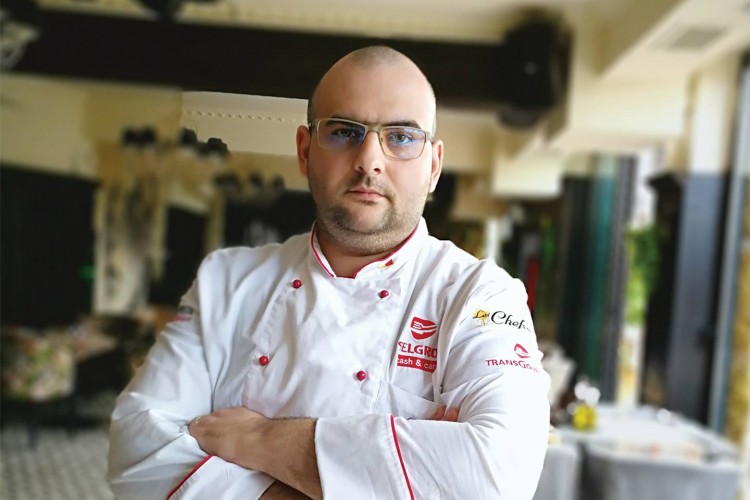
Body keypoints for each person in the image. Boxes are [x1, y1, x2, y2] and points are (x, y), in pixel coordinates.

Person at [108, 45, 550, 500]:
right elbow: (137, 450)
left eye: (401, 136)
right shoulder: (226, 279)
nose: (369, 160)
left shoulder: (480, 295)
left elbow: (499, 475)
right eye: (344, 132)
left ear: (433, 166)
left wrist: (259, 438)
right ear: (305, 151)